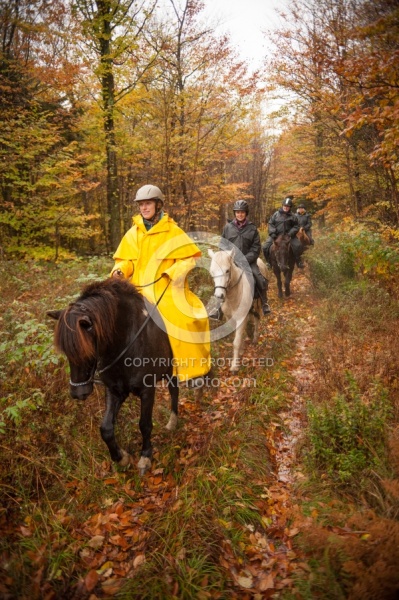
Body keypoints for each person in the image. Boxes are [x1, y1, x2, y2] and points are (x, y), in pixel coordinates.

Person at [111, 184, 210, 385]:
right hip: (137, 287)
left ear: (158, 204)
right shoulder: (133, 233)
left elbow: (188, 259)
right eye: (141, 205)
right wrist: (120, 271)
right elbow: (127, 261)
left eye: (148, 204)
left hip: (167, 287)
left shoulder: (173, 231)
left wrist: (171, 272)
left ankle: (190, 370)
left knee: (185, 320)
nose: (144, 208)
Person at [208, 199, 271, 320]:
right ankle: (216, 308)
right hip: (231, 262)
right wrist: (228, 257)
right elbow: (222, 245)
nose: (239, 214)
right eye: (237, 212)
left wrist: (245, 259)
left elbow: (256, 247)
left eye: (242, 212)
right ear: (234, 213)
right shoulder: (228, 228)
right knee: (220, 280)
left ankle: (264, 303)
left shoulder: (252, 228)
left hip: (248, 261)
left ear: (246, 213)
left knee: (259, 278)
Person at [262, 196, 304, 269]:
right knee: (265, 247)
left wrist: (290, 233)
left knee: (298, 246)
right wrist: (273, 233)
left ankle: (299, 261)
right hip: (276, 235)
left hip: (289, 236)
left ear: (290, 207)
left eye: (288, 206)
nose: (286, 207)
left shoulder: (293, 216)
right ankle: (269, 262)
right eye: (285, 206)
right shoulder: (275, 214)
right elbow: (271, 223)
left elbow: (296, 226)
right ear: (282, 205)